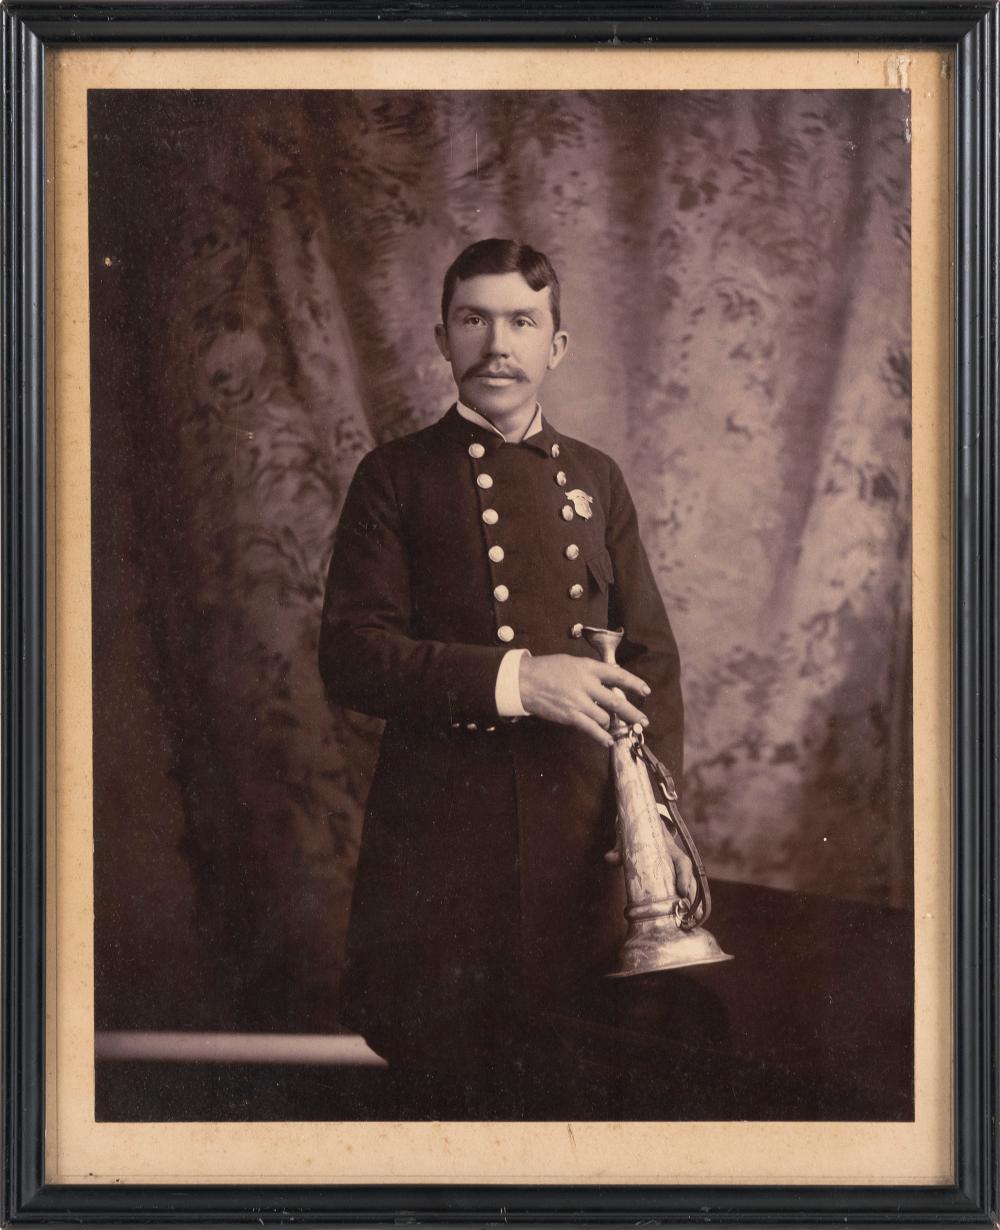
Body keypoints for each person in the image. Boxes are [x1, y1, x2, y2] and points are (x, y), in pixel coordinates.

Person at [319, 238, 684, 1086]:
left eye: (522, 321)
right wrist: (523, 679)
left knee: (586, 1091)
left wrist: (650, 840)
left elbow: (653, 660)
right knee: (446, 1099)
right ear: (442, 338)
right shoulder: (394, 478)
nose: (497, 344)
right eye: (473, 319)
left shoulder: (597, 476)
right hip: (444, 859)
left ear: (555, 345)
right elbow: (352, 658)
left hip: (582, 849)